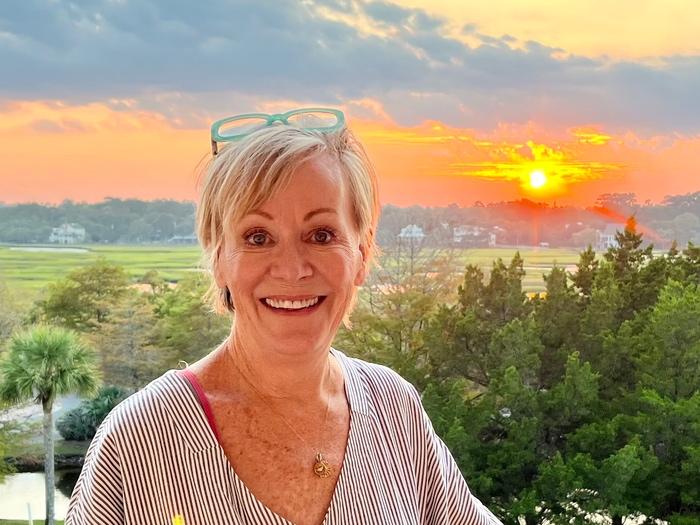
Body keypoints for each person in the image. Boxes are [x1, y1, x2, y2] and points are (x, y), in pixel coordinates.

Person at [66, 108, 502, 524]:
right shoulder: (139, 441)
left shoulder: (393, 411)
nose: (292, 270)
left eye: (321, 235)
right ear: (218, 259)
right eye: (258, 237)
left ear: (363, 253)